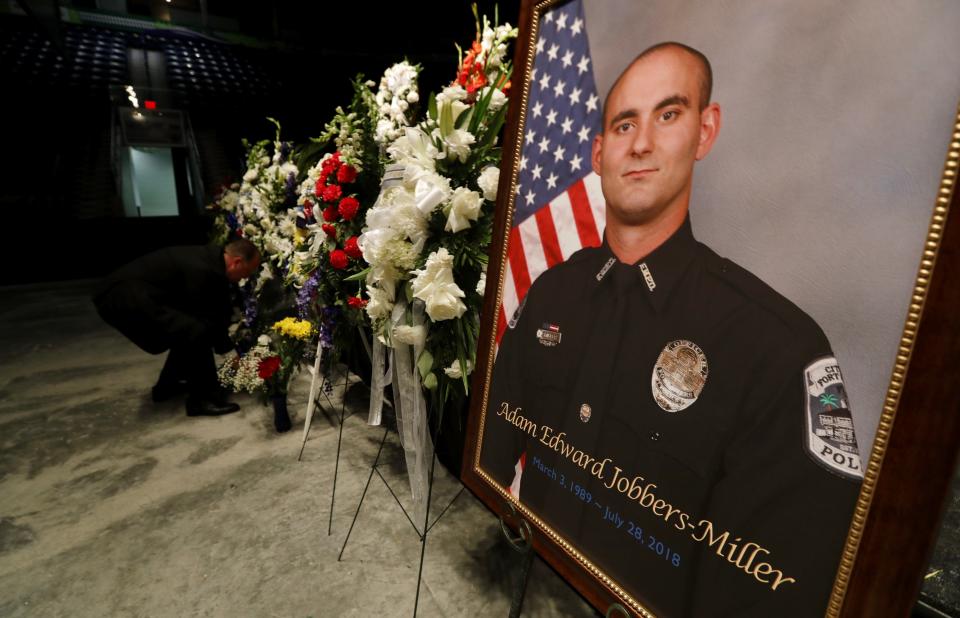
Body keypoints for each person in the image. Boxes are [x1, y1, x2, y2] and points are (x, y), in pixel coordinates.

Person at [481, 43, 863, 617]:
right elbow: (489, 454)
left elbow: (771, 595)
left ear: (706, 131)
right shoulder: (551, 294)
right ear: (597, 150)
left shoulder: (780, 352)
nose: (640, 144)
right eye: (623, 124)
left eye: (668, 114)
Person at [93, 238, 260, 417]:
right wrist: (230, 354)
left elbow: (215, 313)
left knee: (185, 328)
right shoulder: (204, 269)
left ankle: (166, 387)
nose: (246, 277)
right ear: (237, 262)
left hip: (133, 294)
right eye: (248, 271)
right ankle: (203, 400)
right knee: (195, 330)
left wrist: (228, 351)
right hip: (124, 297)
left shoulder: (212, 261)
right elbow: (209, 318)